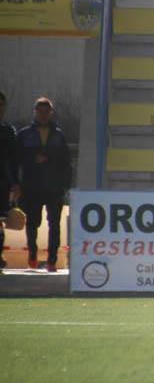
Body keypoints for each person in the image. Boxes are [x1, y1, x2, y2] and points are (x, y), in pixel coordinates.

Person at [17, 97, 72, 272]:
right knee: (33, 223)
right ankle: (32, 253)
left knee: (54, 224)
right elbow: (17, 158)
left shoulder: (58, 135)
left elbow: (66, 161)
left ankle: (52, 261)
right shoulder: (25, 134)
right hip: (32, 186)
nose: (43, 115)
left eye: (46, 112)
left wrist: (65, 185)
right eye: (40, 112)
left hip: (54, 187)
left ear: (51, 113)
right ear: (34, 112)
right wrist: (33, 159)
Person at [0, 91, 20, 270]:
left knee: (1, 220)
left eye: (1, 105)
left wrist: (15, 183)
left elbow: (13, 160)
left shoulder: (8, 131)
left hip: (3, 183)